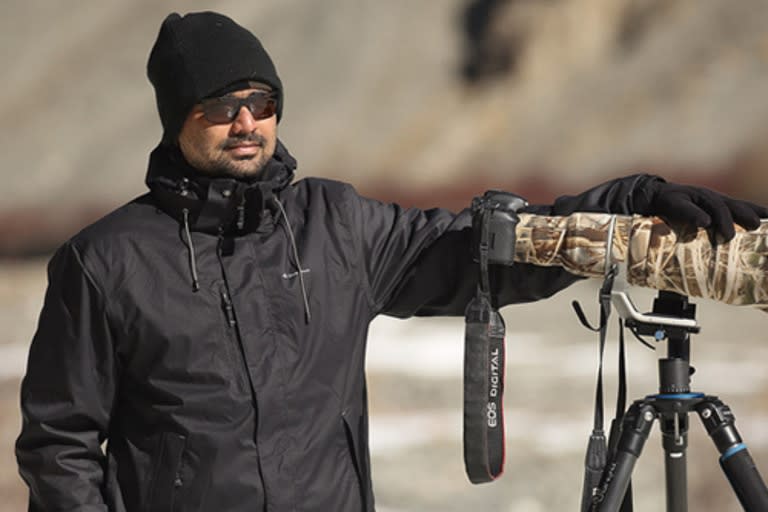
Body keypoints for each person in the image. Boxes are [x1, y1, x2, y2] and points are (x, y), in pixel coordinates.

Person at [15, 11, 768, 512]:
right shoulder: (104, 261)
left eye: (261, 99)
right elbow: (61, 446)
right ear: (177, 117)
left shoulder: (337, 225)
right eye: (218, 105)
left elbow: (488, 244)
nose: (246, 121)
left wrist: (630, 199)